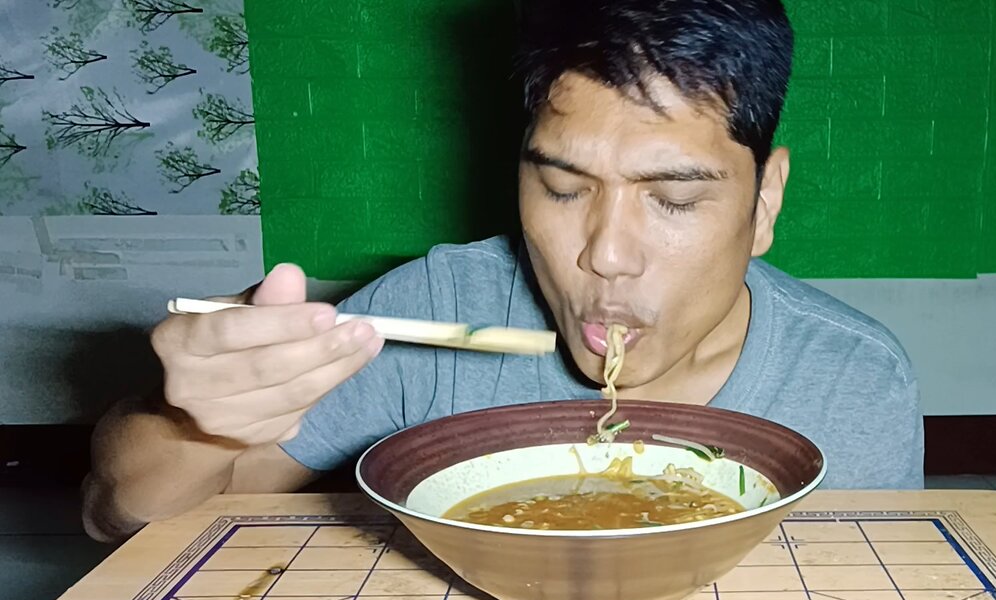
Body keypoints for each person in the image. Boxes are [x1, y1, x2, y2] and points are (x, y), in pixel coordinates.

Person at [82, 0, 924, 543]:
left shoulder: (850, 378)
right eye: (562, 187)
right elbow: (126, 519)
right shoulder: (436, 310)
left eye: (671, 199)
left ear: (765, 199)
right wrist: (198, 421)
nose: (606, 254)